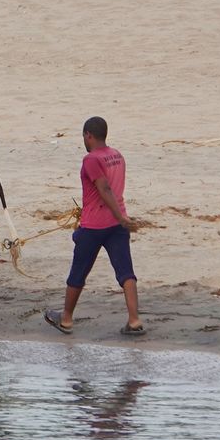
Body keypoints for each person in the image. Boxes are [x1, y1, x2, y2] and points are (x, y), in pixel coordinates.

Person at [45, 116, 144, 336]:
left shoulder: (91, 159)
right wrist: (121, 219)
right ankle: (135, 320)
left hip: (95, 225)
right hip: (117, 225)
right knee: (126, 272)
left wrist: (119, 217)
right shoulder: (117, 155)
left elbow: (104, 188)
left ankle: (66, 319)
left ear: (88, 135)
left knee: (78, 271)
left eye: (84, 136)